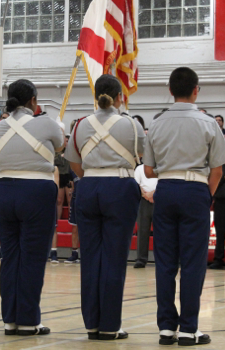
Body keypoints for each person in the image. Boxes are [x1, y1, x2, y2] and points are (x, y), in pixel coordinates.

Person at [143, 67, 225, 346]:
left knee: (165, 262)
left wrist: (169, 174)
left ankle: (166, 327)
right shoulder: (208, 123)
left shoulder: (156, 123)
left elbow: (147, 169)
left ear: (170, 90)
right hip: (196, 191)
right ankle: (188, 329)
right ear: (196, 90)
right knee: (192, 263)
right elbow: (217, 169)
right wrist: (207, 195)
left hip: (166, 190)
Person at [64, 75, 143, 341]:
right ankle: (110, 325)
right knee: (114, 258)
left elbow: (75, 165)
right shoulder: (132, 125)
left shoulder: (79, 125)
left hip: (89, 188)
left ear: (95, 96)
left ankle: (92, 325)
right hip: (119, 188)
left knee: (90, 259)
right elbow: (139, 158)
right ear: (119, 97)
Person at [0, 78, 62, 336]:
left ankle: (10, 319)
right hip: (36, 192)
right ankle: (29, 320)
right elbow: (60, 144)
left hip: (4, 192)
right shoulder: (46, 123)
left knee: (10, 257)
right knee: (32, 258)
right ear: (33, 101)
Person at [133, 162, 157, 269]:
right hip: (143, 200)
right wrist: (145, 194)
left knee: (161, 232)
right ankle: (141, 259)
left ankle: (160, 258)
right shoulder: (139, 169)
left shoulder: (161, 167)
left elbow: (164, 182)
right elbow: (135, 184)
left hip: (159, 199)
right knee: (142, 230)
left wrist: (154, 193)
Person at [51, 142, 72, 264]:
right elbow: (56, 163)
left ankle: (69, 220)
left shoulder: (69, 150)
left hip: (67, 175)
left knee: (69, 200)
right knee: (59, 200)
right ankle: (57, 220)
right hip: (59, 174)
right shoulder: (54, 152)